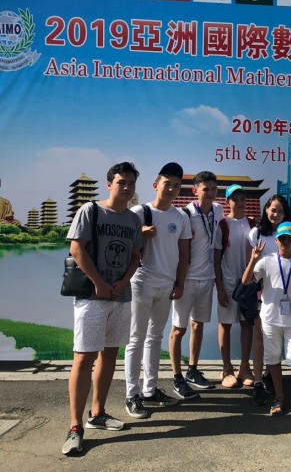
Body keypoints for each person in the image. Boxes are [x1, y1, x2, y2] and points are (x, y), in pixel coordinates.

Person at [62, 162, 143, 456]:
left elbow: (135, 255)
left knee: (110, 354)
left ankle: (98, 413)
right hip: (91, 296)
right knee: (84, 357)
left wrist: (123, 282)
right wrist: (99, 282)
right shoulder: (91, 210)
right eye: (122, 182)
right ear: (109, 184)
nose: (127, 187)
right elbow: (77, 248)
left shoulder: (133, 220)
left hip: (120, 296)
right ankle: (75, 427)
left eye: (131, 183)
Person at [124, 163, 188, 420]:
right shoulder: (140, 212)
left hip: (167, 284)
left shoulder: (180, 217)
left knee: (155, 337)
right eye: (167, 184)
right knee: (136, 338)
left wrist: (180, 283)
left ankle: (150, 390)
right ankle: (132, 394)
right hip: (142, 282)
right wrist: (140, 233)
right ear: (156, 185)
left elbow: (184, 254)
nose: (171, 189)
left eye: (176, 186)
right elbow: (124, 242)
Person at [243, 221, 291, 419]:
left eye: (290, 238)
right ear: (276, 241)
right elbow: (246, 280)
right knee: (273, 359)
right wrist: (253, 259)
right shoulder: (266, 261)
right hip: (270, 319)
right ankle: (279, 397)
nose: (286, 242)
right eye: (282, 238)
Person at [169, 171, 223, 400]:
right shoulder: (185, 214)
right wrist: (178, 281)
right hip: (187, 279)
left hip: (207, 278)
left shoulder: (218, 210)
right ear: (195, 190)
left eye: (213, 189)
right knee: (178, 329)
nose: (210, 193)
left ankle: (192, 370)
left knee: (197, 325)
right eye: (205, 189)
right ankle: (177, 377)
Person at [248, 194, 291, 405]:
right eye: (273, 210)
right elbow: (250, 265)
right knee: (259, 335)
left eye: (281, 211)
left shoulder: (289, 233)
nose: (276, 214)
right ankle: (257, 380)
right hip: (261, 292)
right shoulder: (256, 233)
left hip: (284, 295)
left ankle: (269, 374)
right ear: (266, 210)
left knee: (276, 336)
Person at [215, 184, 255, 389]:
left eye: (242, 199)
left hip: (248, 284)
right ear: (228, 201)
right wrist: (220, 287)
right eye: (235, 199)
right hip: (229, 283)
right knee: (226, 324)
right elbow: (216, 259)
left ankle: (244, 367)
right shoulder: (222, 225)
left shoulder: (252, 224)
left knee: (247, 324)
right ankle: (227, 368)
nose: (239, 203)